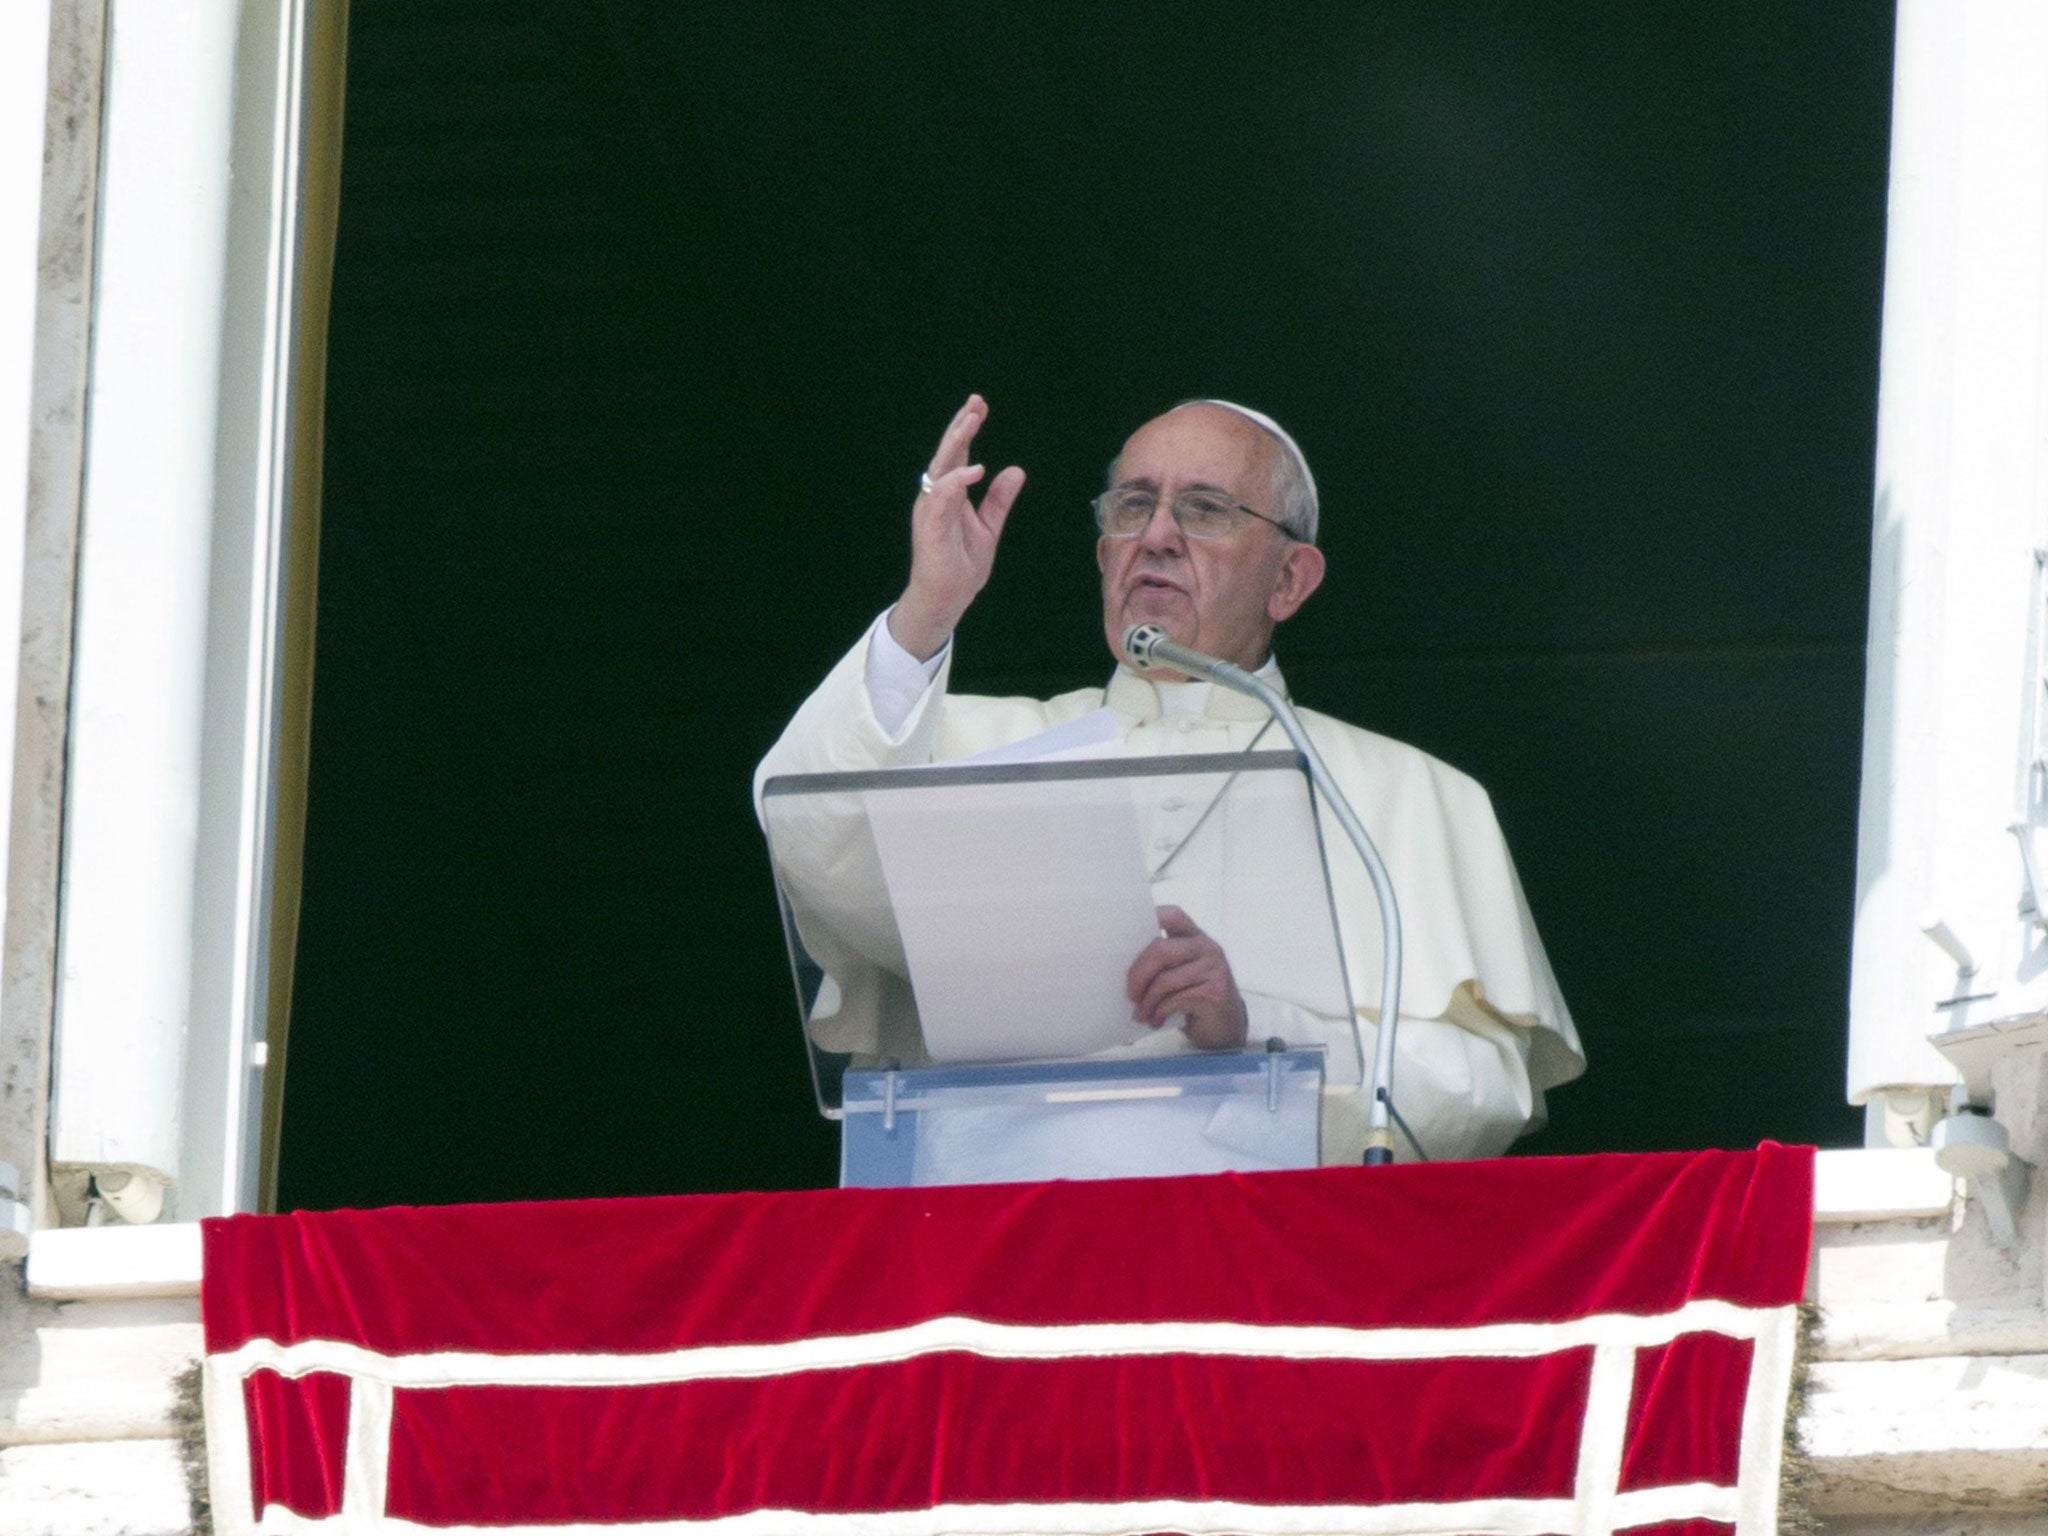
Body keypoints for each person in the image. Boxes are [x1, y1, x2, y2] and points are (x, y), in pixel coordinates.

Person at [756, 395, 1583, 1162]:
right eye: (1132, 506)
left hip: (1259, 1264)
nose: (1157, 535)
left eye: (1205, 510)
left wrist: (1256, 1034)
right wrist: (929, 607)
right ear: (1104, 553)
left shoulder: (1408, 794)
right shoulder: (968, 743)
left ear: (1290, 580)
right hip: (991, 1251)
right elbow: (810, 835)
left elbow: (1488, 1086)